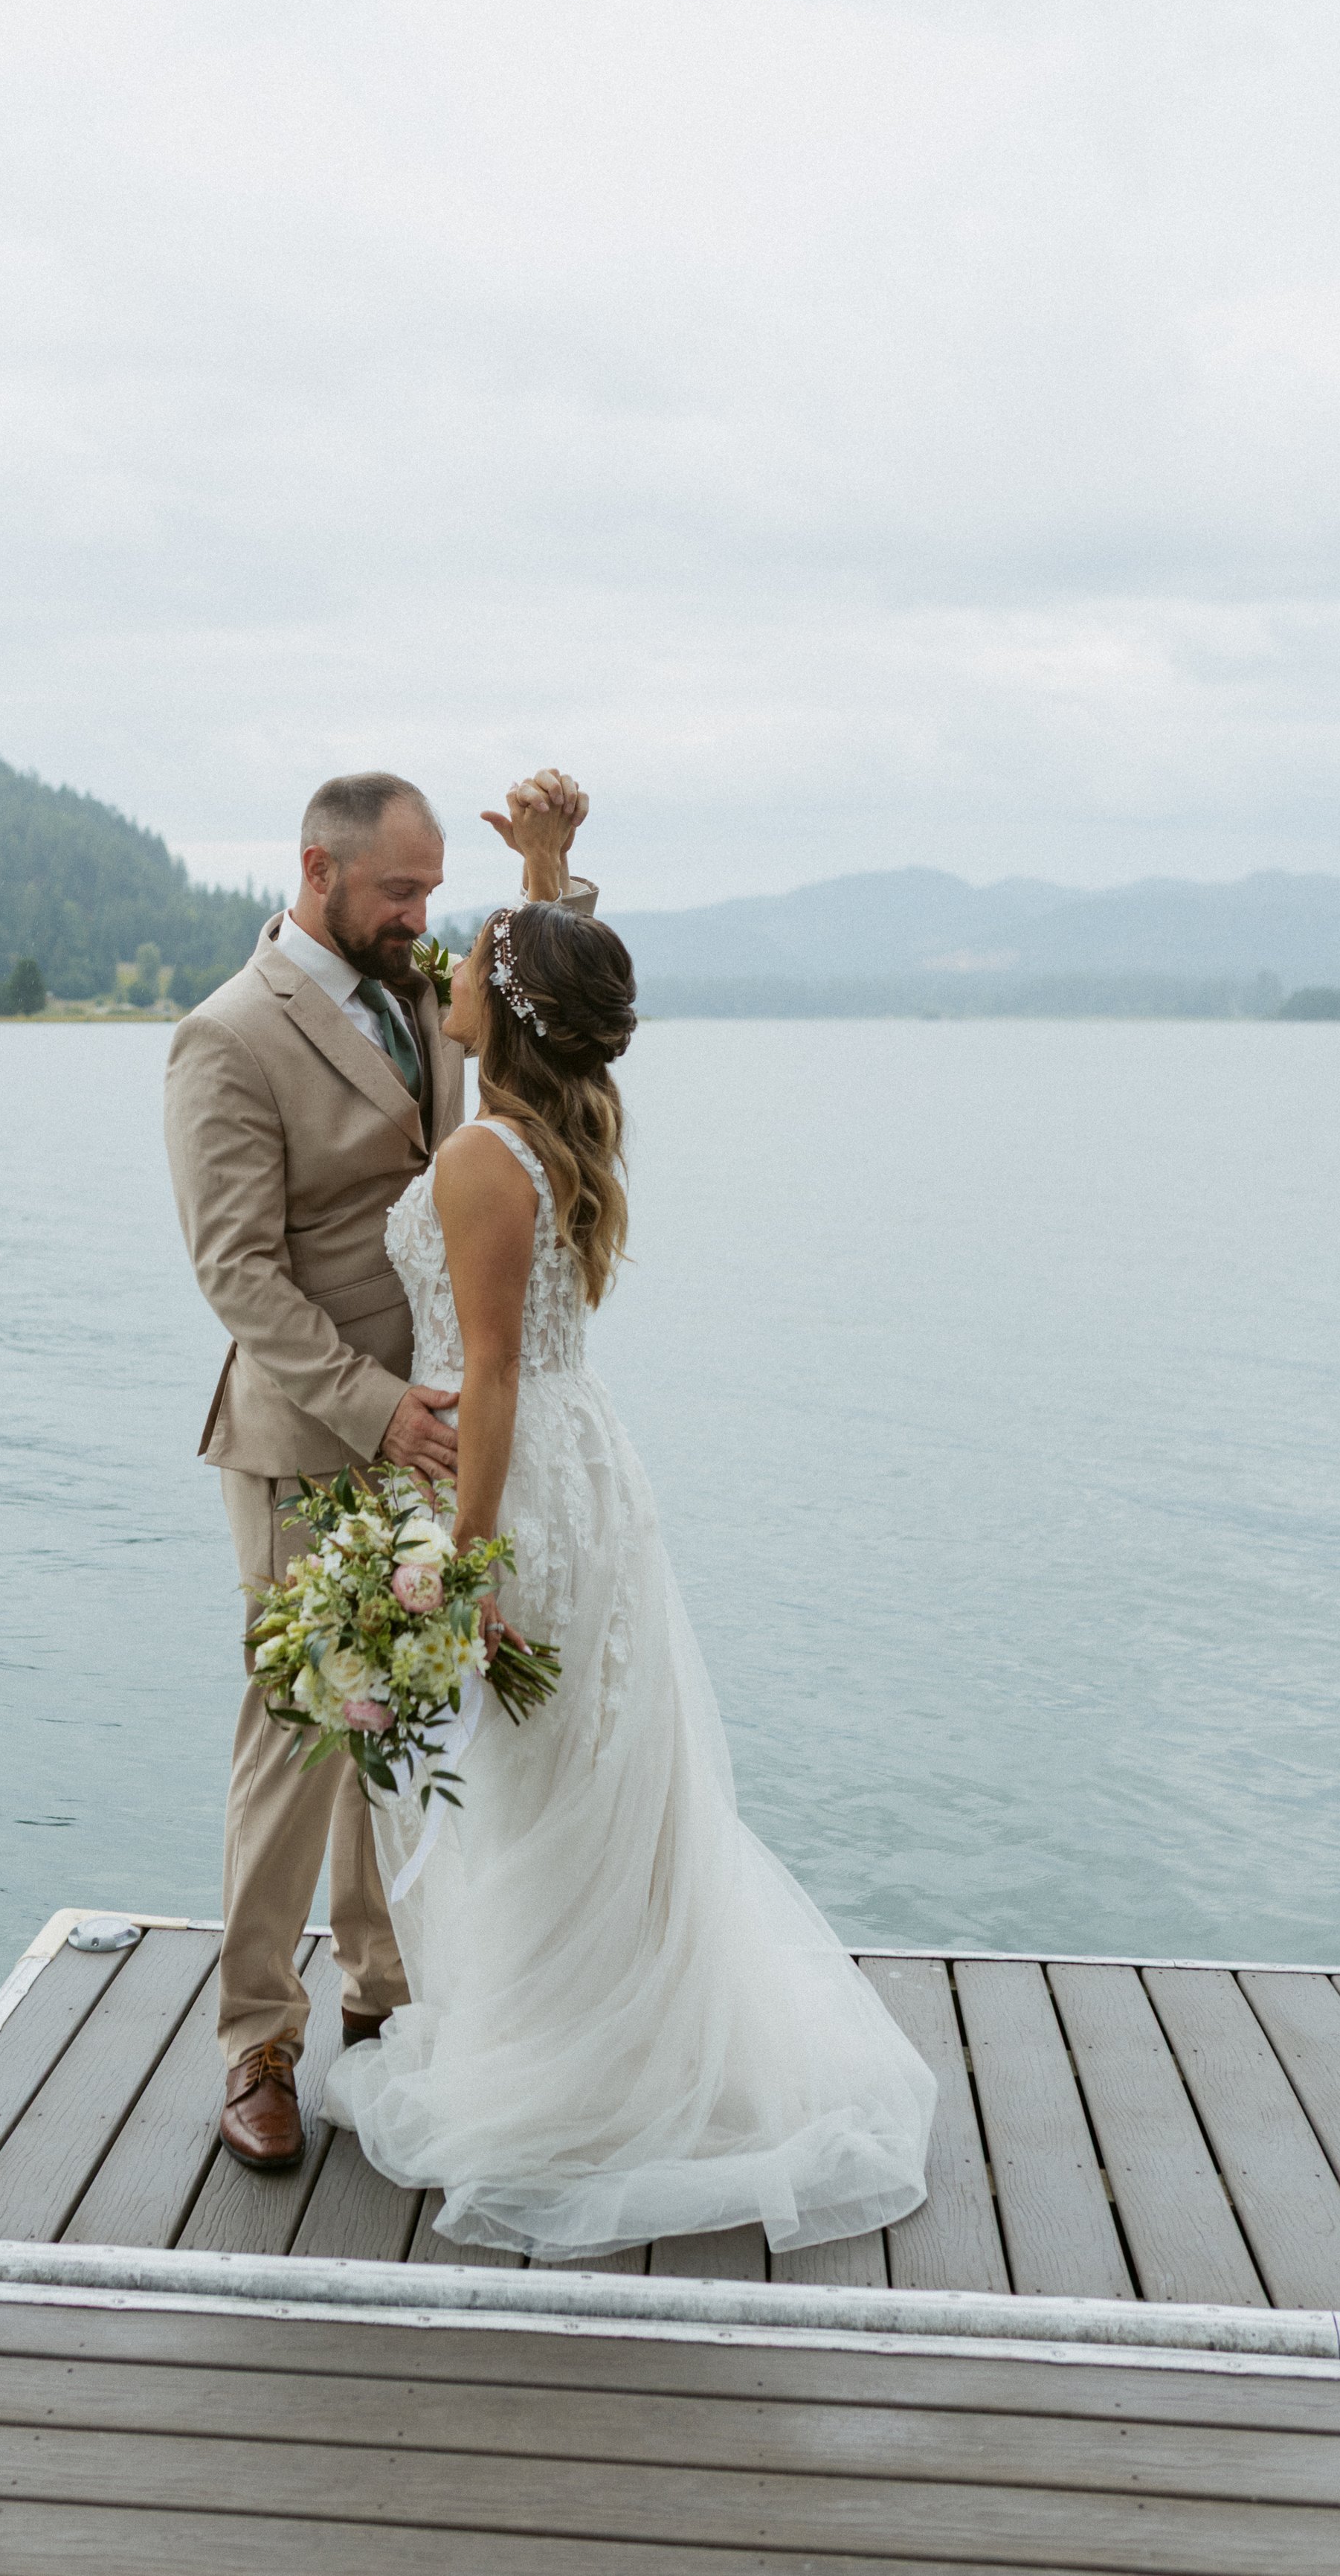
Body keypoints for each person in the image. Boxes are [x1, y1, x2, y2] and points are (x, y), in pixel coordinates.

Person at [323, 847, 938, 2258]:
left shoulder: (487, 1157)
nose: (448, 971)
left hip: (518, 1483)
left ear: (510, 1008)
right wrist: (544, 874)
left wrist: (457, 1570)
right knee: (572, 1778)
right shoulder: (554, 1136)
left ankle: (565, 2075)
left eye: (471, 960)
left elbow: (488, 1372)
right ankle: (585, 2034)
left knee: (533, 1785)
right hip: (584, 1469)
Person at [163, 768, 596, 2168]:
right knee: (295, 1736)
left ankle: (382, 1996)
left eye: (429, 891)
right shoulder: (225, 1037)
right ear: (318, 870)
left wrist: (544, 880)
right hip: (310, 1433)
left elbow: (525, 1029)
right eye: (399, 892)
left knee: (398, 1728)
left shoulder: (411, 989)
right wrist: (372, 1407)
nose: (422, 918)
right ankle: (255, 2042)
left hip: (432, 1419)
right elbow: (238, 1272)